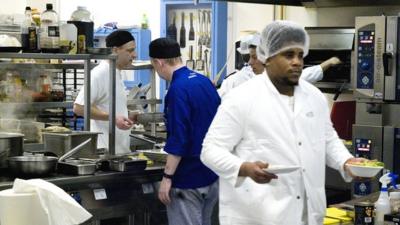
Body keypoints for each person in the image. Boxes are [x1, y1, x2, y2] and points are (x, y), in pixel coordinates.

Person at [200, 20, 364, 225]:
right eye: (288, 55)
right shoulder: (241, 98)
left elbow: (327, 139)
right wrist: (243, 167)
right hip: (257, 216)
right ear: (267, 58)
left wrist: (346, 162)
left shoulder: (313, 97)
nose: (297, 62)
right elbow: (211, 150)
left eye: (300, 55)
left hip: (307, 214)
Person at [149, 37, 220, 225]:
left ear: (159, 62)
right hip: (212, 175)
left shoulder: (177, 90)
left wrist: (167, 177)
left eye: (154, 66)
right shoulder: (204, 81)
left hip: (188, 179)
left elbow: (180, 138)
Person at [218, 33, 341, 98]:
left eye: (254, 57)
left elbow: (303, 76)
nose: (250, 62)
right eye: (249, 57)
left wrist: (328, 63)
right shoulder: (235, 80)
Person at [73, 30, 137, 154]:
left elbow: (107, 106)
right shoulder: (100, 73)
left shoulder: (116, 72)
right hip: (104, 152)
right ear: (114, 50)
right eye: (129, 50)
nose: (134, 55)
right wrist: (112, 118)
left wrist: (127, 115)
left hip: (119, 151)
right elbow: (79, 107)